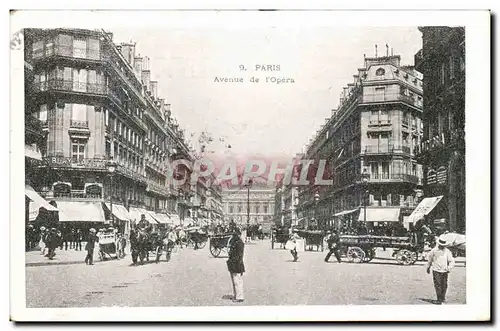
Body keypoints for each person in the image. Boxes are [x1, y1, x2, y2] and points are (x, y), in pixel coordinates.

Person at [426, 235, 455, 304]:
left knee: (444, 285)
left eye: (443, 245)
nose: (442, 246)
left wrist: (449, 267)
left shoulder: (447, 252)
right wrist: (428, 267)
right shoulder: (434, 251)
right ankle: (439, 299)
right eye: (441, 245)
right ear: (439, 244)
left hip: (444, 270)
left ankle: (443, 298)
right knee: (438, 285)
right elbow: (430, 259)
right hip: (436, 270)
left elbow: (451, 261)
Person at [226, 227, 245, 303]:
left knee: (237, 281)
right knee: (235, 281)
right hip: (235, 263)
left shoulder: (238, 243)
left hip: (236, 264)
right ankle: (236, 295)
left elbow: (238, 255)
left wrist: (233, 260)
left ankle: (239, 297)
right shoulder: (237, 242)